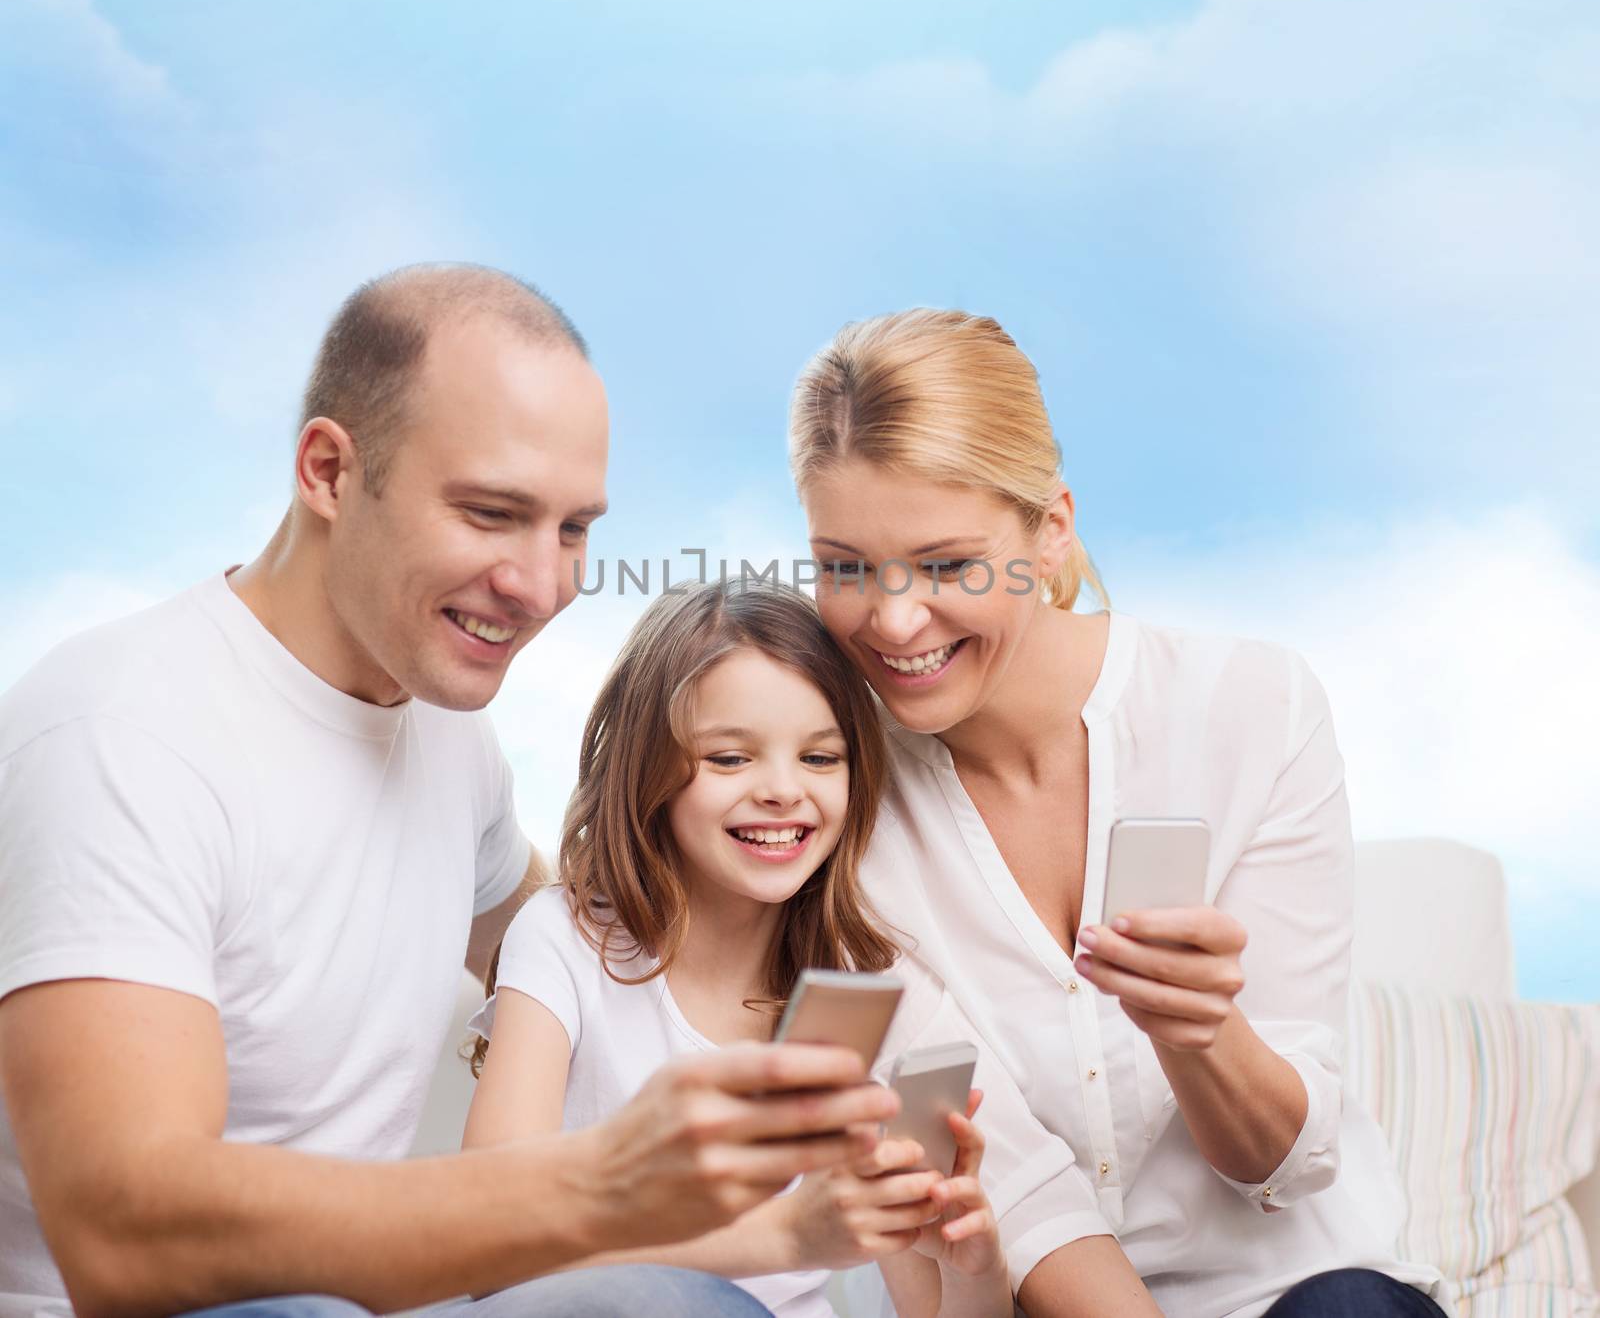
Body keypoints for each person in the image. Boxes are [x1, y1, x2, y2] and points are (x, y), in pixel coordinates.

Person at [0, 265, 898, 1318]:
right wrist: (605, 1182)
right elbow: (123, 1235)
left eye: (573, 529)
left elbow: (565, 927)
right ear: (331, 470)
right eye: (489, 512)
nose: (542, 583)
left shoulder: (443, 731)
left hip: (367, 1307)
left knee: (677, 1299)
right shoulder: (123, 733)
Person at [787, 308, 1450, 1318]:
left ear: (1050, 529)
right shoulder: (833, 801)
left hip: (1292, 1291)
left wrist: (1197, 1036)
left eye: (945, 563)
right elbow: (1005, 1182)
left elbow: (1284, 1162)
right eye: (844, 567)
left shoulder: (1250, 709)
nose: (892, 619)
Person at [462, 579, 1012, 1318]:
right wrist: (777, 1236)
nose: (783, 790)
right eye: (729, 759)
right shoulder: (565, 938)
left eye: (821, 759)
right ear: (647, 769)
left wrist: (973, 1270)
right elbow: (490, 1246)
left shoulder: (862, 988)